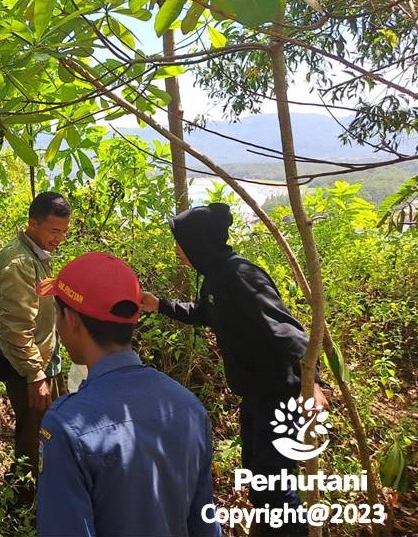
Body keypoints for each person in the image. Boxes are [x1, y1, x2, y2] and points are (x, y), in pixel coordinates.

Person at [140, 203, 327, 537]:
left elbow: (286, 330)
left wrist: (312, 384)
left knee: (274, 484)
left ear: (198, 242)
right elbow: (204, 312)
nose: (178, 251)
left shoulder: (240, 275)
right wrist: (161, 305)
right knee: (259, 476)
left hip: (280, 395)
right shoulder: (215, 277)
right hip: (255, 395)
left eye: (180, 243)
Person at [36, 252, 218, 537]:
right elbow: (204, 523)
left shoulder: (66, 426)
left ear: (70, 319)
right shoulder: (188, 407)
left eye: (56, 312)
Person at [0, 191, 71, 509]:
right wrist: (35, 374)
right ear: (33, 223)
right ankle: (22, 505)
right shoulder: (18, 262)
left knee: (50, 429)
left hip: (44, 360)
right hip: (28, 366)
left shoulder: (36, 257)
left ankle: (44, 496)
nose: (59, 238)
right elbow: (16, 326)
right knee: (33, 436)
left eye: (63, 231)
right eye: (53, 231)